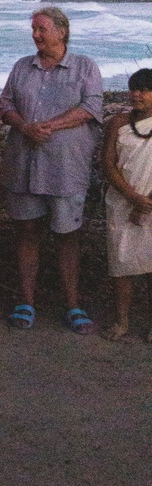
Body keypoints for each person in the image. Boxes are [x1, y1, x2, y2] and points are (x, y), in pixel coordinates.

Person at [0, 7, 103, 333]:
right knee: (27, 232)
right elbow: (5, 105)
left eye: (41, 29)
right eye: (33, 29)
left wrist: (47, 126)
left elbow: (90, 108)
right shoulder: (22, 67)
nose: (35, 35)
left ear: (62, 31)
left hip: (66, 169)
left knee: (67, 236)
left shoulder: (85, 67)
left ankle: (73, 305)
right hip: (25, 166)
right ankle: (26, 302)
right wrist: (24, 126)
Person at [102, 69, 152, 341]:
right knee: (121, 264)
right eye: (134, 88)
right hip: (121, 201)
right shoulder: (119, 123)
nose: (137, 94)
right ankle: (122, 321)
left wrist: (146, 202)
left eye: (144, 89)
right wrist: (132, 197)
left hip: (151, 204)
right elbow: (108, 164)